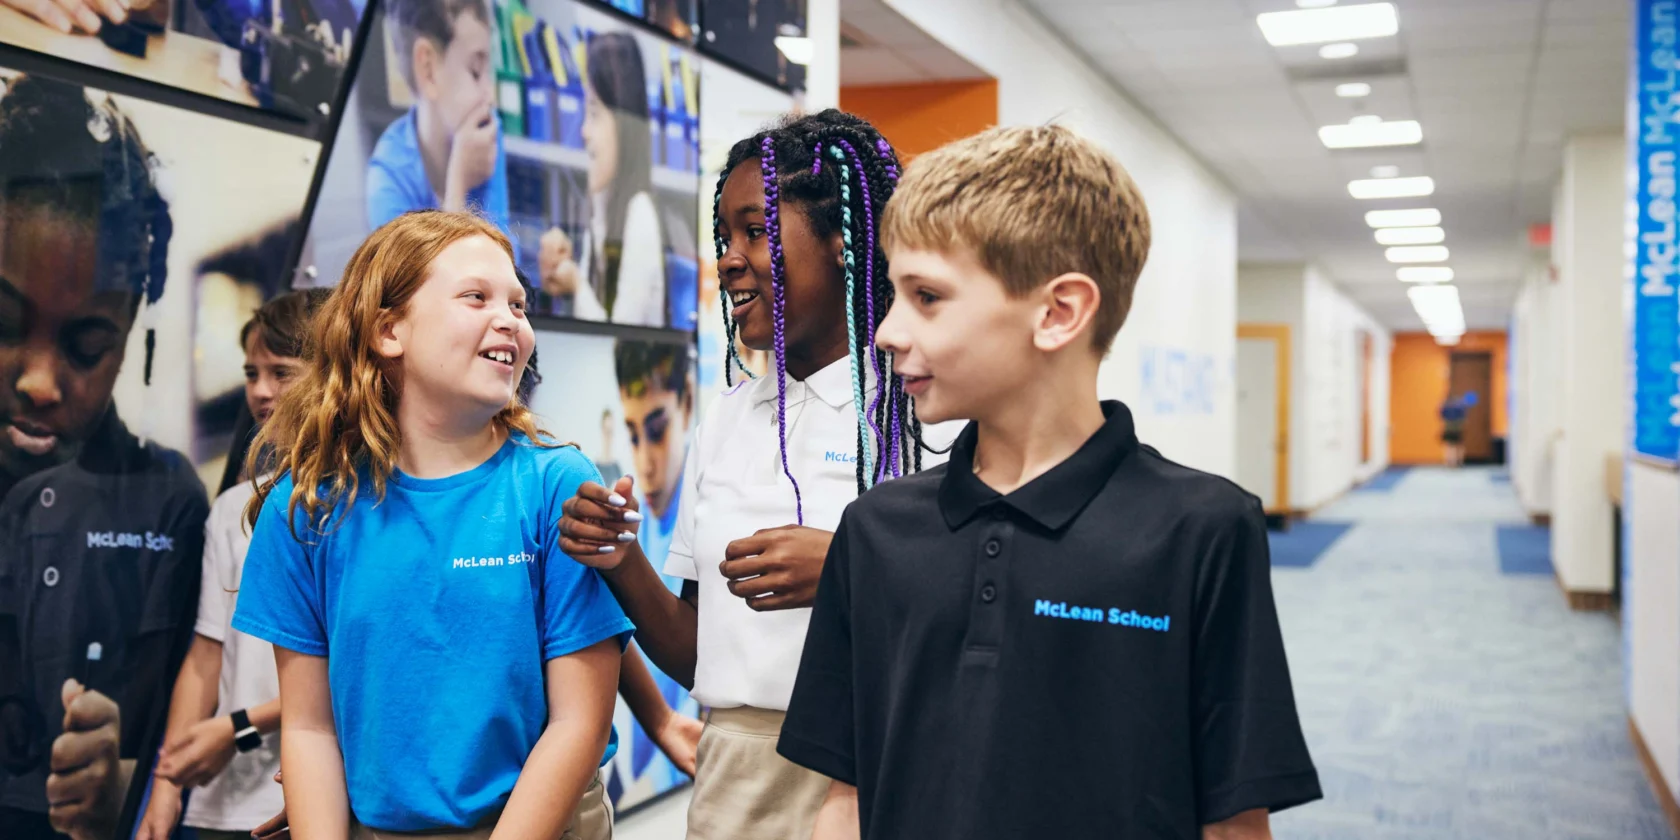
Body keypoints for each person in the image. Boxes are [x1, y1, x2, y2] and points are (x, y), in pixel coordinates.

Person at [775, 125, 1323, 839]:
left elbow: (1234, 822)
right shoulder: (875, 530)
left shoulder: (1204, 528)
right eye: (894, 293)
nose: (886, 331)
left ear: (1059, 313)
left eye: (927, 296)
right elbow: (845, 799)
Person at [557, 110, 950, 840]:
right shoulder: (727, 421)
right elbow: (695, 648)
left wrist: (848, 564)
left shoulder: (925, 411)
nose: (730, 258)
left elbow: (985, 609)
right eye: (725, 238)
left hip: (884, 765)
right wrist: (620, 561)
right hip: (735, 774)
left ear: (843, 244)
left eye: (757, 231)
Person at [230, 210, 632, 839]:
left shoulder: (555, 484)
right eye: (476, 297)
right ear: (389, 330)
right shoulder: (306, 506)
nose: (510, 319)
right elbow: (309, 728)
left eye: (520, 305)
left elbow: (578, 723)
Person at [0, 73, 210, 840]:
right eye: (1, 320)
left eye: (88, 345)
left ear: (132, 338)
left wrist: (124, 779)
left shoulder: (168, 500)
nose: (38, 380)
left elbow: (178, 727)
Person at [136, 290, 326, 840]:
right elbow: (205, 654)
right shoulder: (230, 509)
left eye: (282, 372)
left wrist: (238, 728)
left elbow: (351, 671)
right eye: (251, 372)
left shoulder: (365, 502)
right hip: (216, 805)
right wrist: (168, 786)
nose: (262, 391)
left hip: (307, 797)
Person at [366, 0, 512, 241]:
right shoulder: (388, 180)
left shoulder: (484, 132)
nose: (490, 94)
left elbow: (504, 261)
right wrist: (458, 184)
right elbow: (418, 278)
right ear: (428, 69)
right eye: (476, 71)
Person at [568, 31, 666, 327]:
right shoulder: (604, 208)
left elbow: (619, 341)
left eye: (595, 113)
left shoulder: (639, 215)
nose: (584, 131)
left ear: (624, 125)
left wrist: (574, 283)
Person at [1440, 392, 1472, 467]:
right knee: (1458, 445)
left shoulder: (1445, 407)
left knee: (1449, 446)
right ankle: (1458, 461)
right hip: (1457, 428)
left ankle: (1449, 461)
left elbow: (1441, 416)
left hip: (1449, 427)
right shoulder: (1460, 407)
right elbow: (1464, 418)